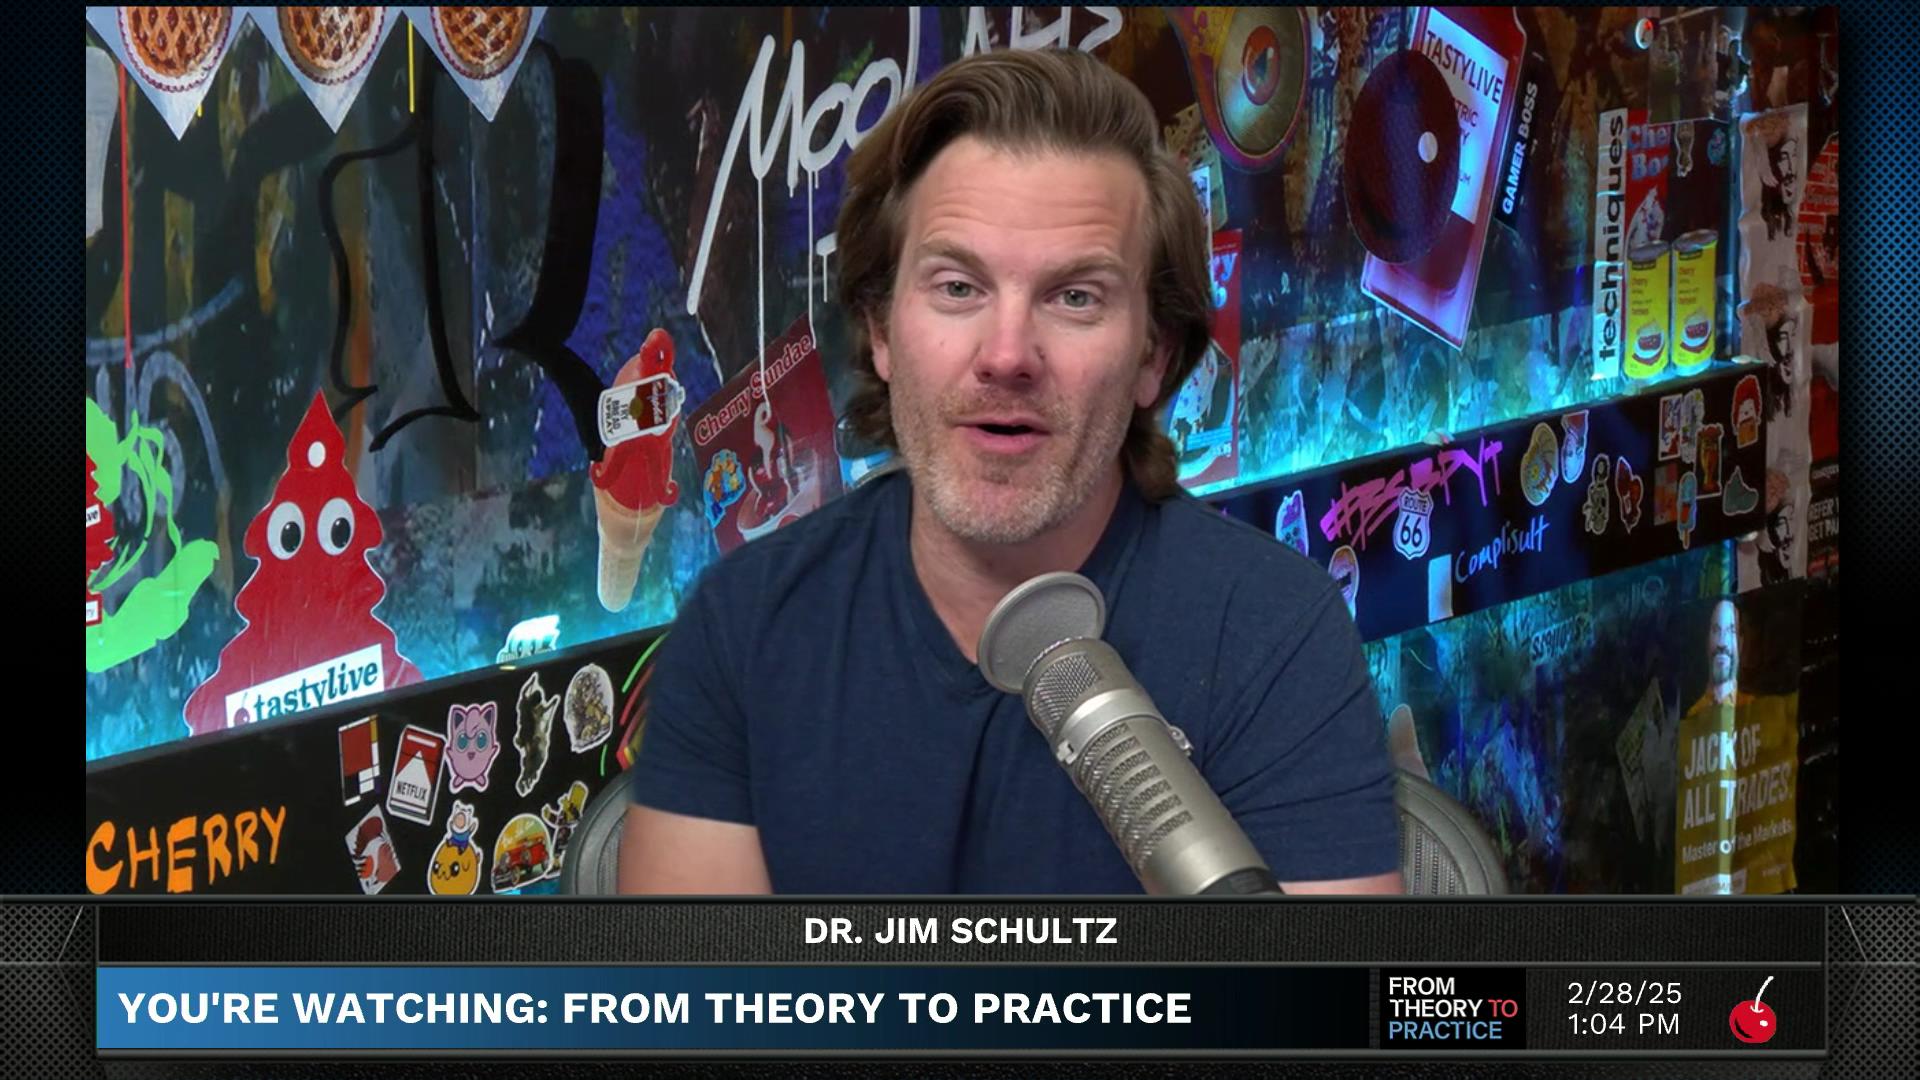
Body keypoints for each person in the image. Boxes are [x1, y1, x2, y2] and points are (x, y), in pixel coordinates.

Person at [618, 48, 1402, 895]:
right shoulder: (741, 628)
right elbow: (701, 978)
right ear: (880, 332)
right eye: (958, 287)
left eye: (1076, 297)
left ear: (1154, 354)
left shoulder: (1276, 637)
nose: (1007, 355)